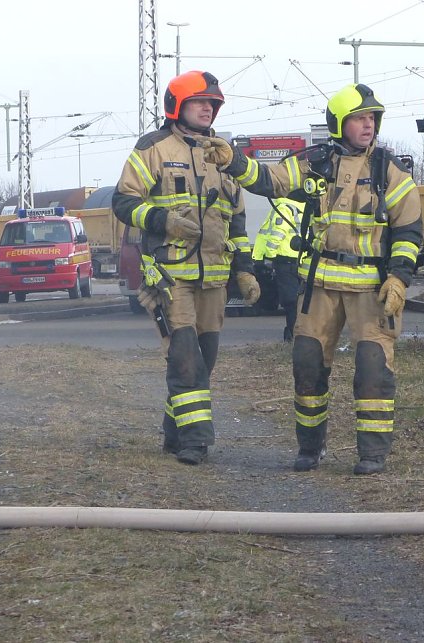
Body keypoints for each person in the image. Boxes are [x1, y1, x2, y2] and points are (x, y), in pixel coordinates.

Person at [200, 83, 422, 475]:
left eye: (372, 118)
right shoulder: (316, 163)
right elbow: (269, 180)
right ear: (339, 123)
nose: (367, 125)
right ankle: (310, 448)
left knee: (373, 367)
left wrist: (399, 279)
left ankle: (372, 453)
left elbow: (408, 231)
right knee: (306, 362)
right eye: (359, 118)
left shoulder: (389, 170)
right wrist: (234, 160)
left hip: (371, 288)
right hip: (319, 286)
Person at [111, 70, 260, 466]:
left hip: (214, 278)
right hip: (170, 276)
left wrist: (243, 270)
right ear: (177, 105)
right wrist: (164, 221)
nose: (207, 109)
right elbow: (123, 203)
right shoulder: (153, 149)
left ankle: (173, 429)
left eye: (212, 104)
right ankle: (196, 443)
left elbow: (238, 221)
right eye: (200, 102)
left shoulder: (224, 156)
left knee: (204, 359)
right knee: (185, 357)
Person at [252, 198, 304, 342]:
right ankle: (300, 334)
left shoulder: (283, 208)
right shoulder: (306, 207)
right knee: (303, 301)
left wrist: (269, 257)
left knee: (290, 302)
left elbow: (276, 235)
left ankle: (293, 334)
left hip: (285, 261)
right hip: (302, 261)